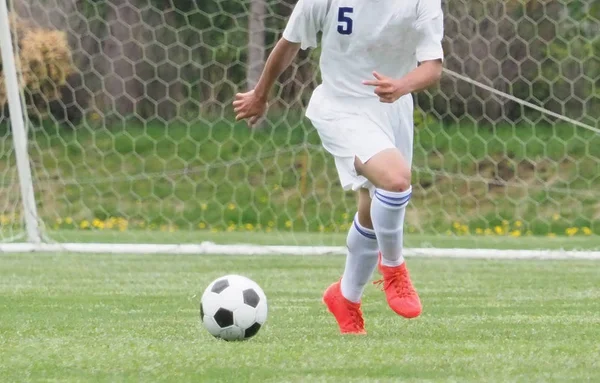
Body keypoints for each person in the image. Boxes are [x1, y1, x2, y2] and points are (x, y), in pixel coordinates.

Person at [233, 0, 444, 334]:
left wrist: (402, 86)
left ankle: (346, 297)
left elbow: (432, 66)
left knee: (371, 205)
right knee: (395, 180)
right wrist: (261, 94)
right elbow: (289, 43)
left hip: (393, 108)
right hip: (339, 106)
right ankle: (393, 268)